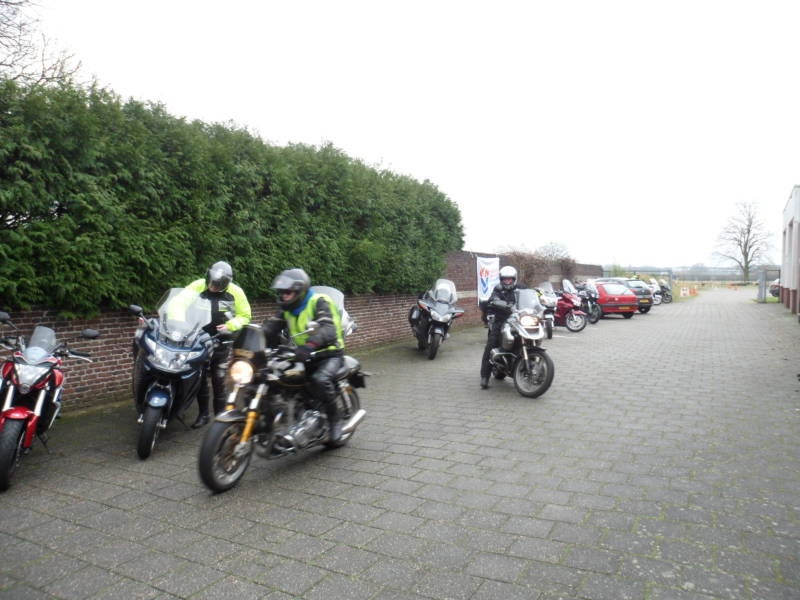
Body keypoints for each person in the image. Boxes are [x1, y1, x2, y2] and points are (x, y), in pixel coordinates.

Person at [262, 268, 346, 442]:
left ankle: (334, 420)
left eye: (287, 292)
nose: (283, 295)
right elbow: (270, 328)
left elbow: (328, 328)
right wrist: (246, 338)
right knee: (273, 377)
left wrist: (310, 344)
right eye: (281, 292)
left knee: (319, 380)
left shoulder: (319, 302)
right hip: (303, 354)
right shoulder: (287, 309)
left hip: (329, 354)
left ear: (300, 291)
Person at [187, 261, 251, 428]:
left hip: (221, 340)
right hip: (199, 340)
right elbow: (180, 303)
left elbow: (245, 315)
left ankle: (220, 416)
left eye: (217, 286)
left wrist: (230, 325)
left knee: (218, 377)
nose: (213, 288)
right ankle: (203, 415)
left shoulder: (236, 292)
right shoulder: (198, 286)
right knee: (200, 378)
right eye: (211, 284)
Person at [479, 265, 521, 389]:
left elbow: (530, 298)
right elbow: (493, 299)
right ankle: (485, 377)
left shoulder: (521, 288)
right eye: (505, 279)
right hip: (501, 320)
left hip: (517, 320)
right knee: (491, 346)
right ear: (501, 279)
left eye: (510, 279)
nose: (507, 281)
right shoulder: (498, 289)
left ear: (514, 279)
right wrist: (500, 303)